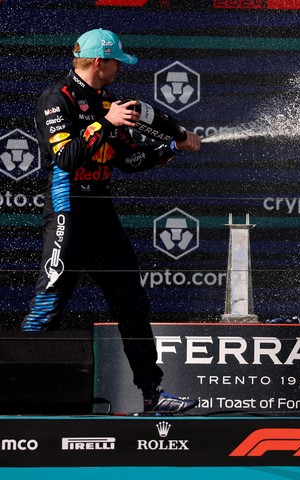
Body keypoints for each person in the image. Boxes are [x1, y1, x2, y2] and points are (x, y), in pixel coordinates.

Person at [22, 28, 202, 413]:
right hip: (68, 213)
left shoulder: (107, 101)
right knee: (48, 305)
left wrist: (171, 146)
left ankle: (154, 395)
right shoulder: (58, 98)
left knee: (132, 304)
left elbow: (128, 160)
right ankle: (17, 396)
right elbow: (67, 158)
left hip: (102, 214)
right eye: (117, 60)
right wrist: (107, 122)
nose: (121, 67)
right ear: (99, 62)